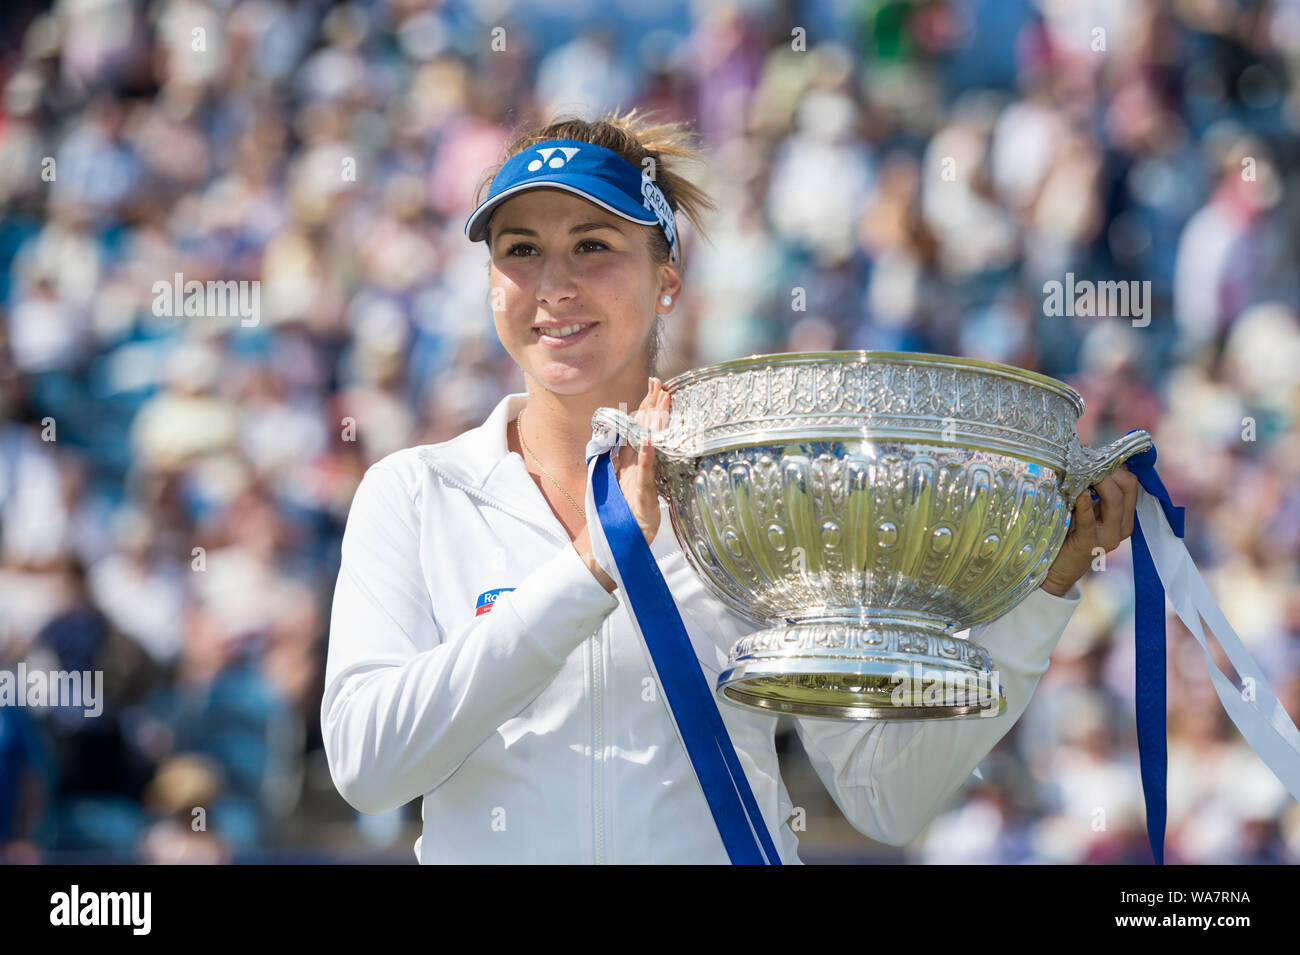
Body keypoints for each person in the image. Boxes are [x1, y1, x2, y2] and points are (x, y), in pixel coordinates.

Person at [320, 108, 1141, 864]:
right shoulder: (416, 493)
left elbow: (885, 796)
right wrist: (587, 572)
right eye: (520, 249)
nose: (554, 285)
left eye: (594, 245)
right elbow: (367, 765)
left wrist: (1041, 594)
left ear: (666, 280)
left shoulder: (759, 492)